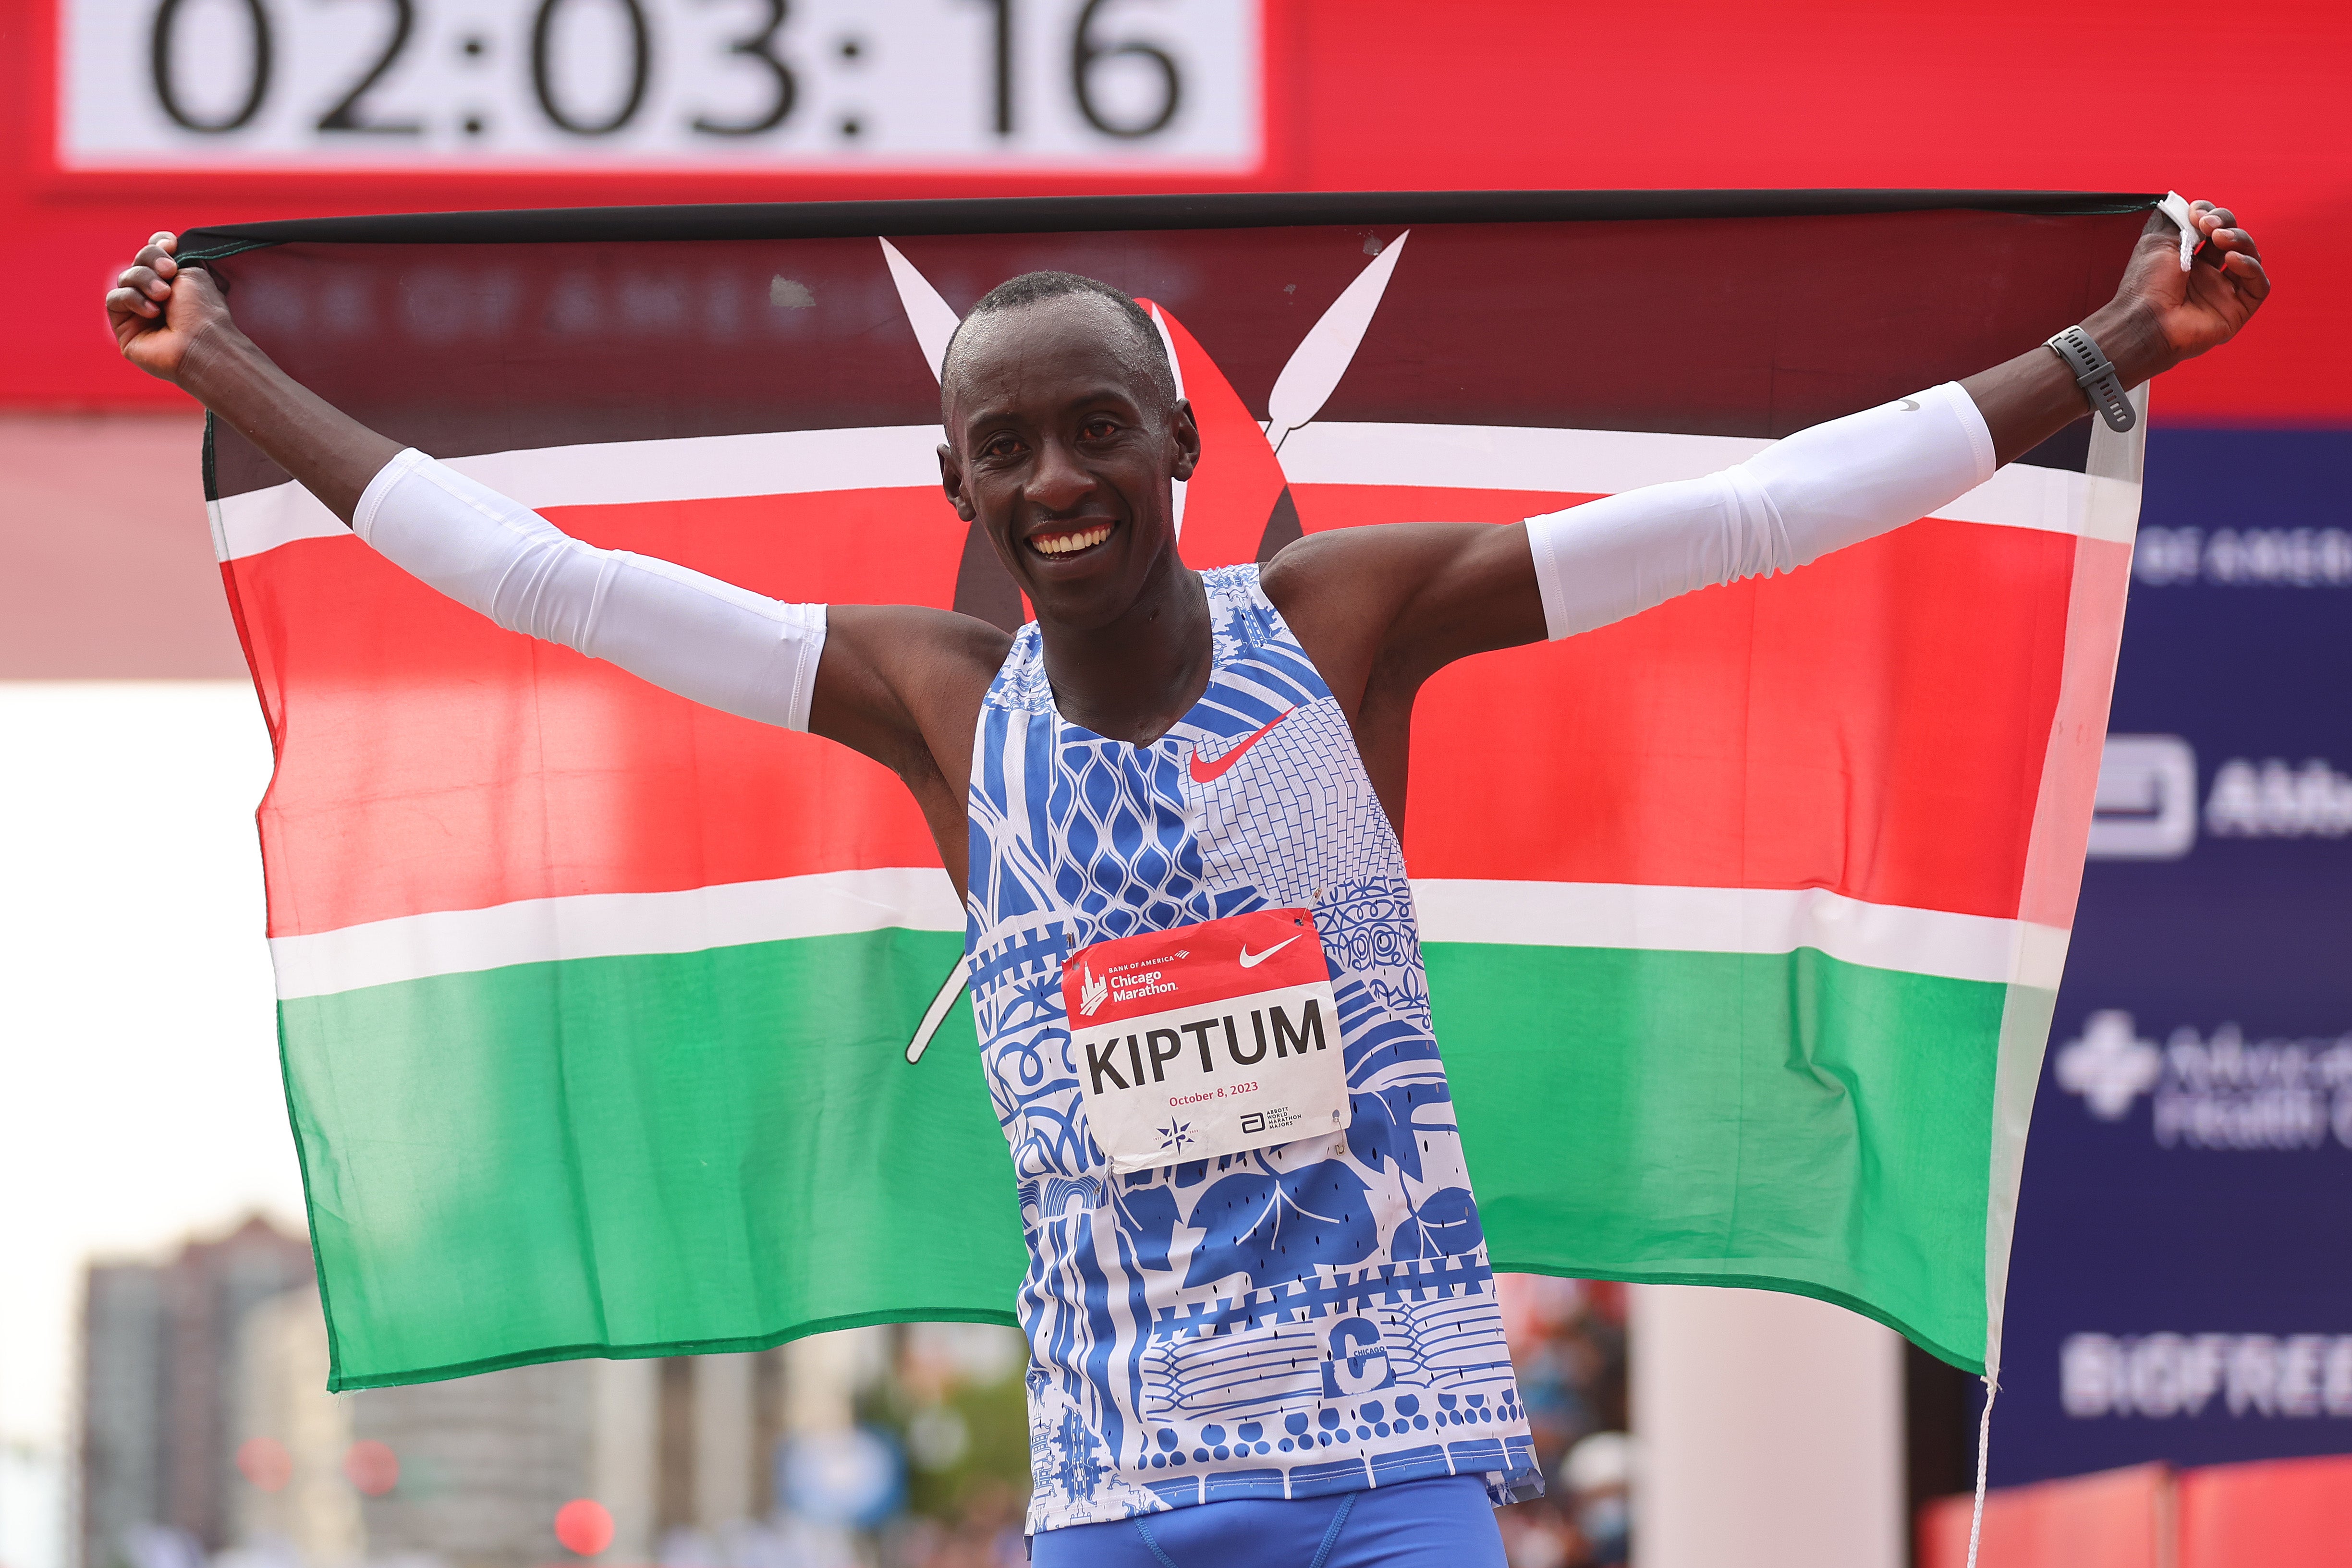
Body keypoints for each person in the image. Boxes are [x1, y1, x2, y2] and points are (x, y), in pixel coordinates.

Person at [107, 202, 2266, 1566]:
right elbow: (545, 581)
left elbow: (1758, 515)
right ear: (953, 482)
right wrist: (226, 372)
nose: (1057, 477)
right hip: (1122, 1494)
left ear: (1176, 445)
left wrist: (2103, 356)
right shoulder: (934, 703)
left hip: (1397, 1469)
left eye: (1097, 429)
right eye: (1008, 445)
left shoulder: (1339, 625)